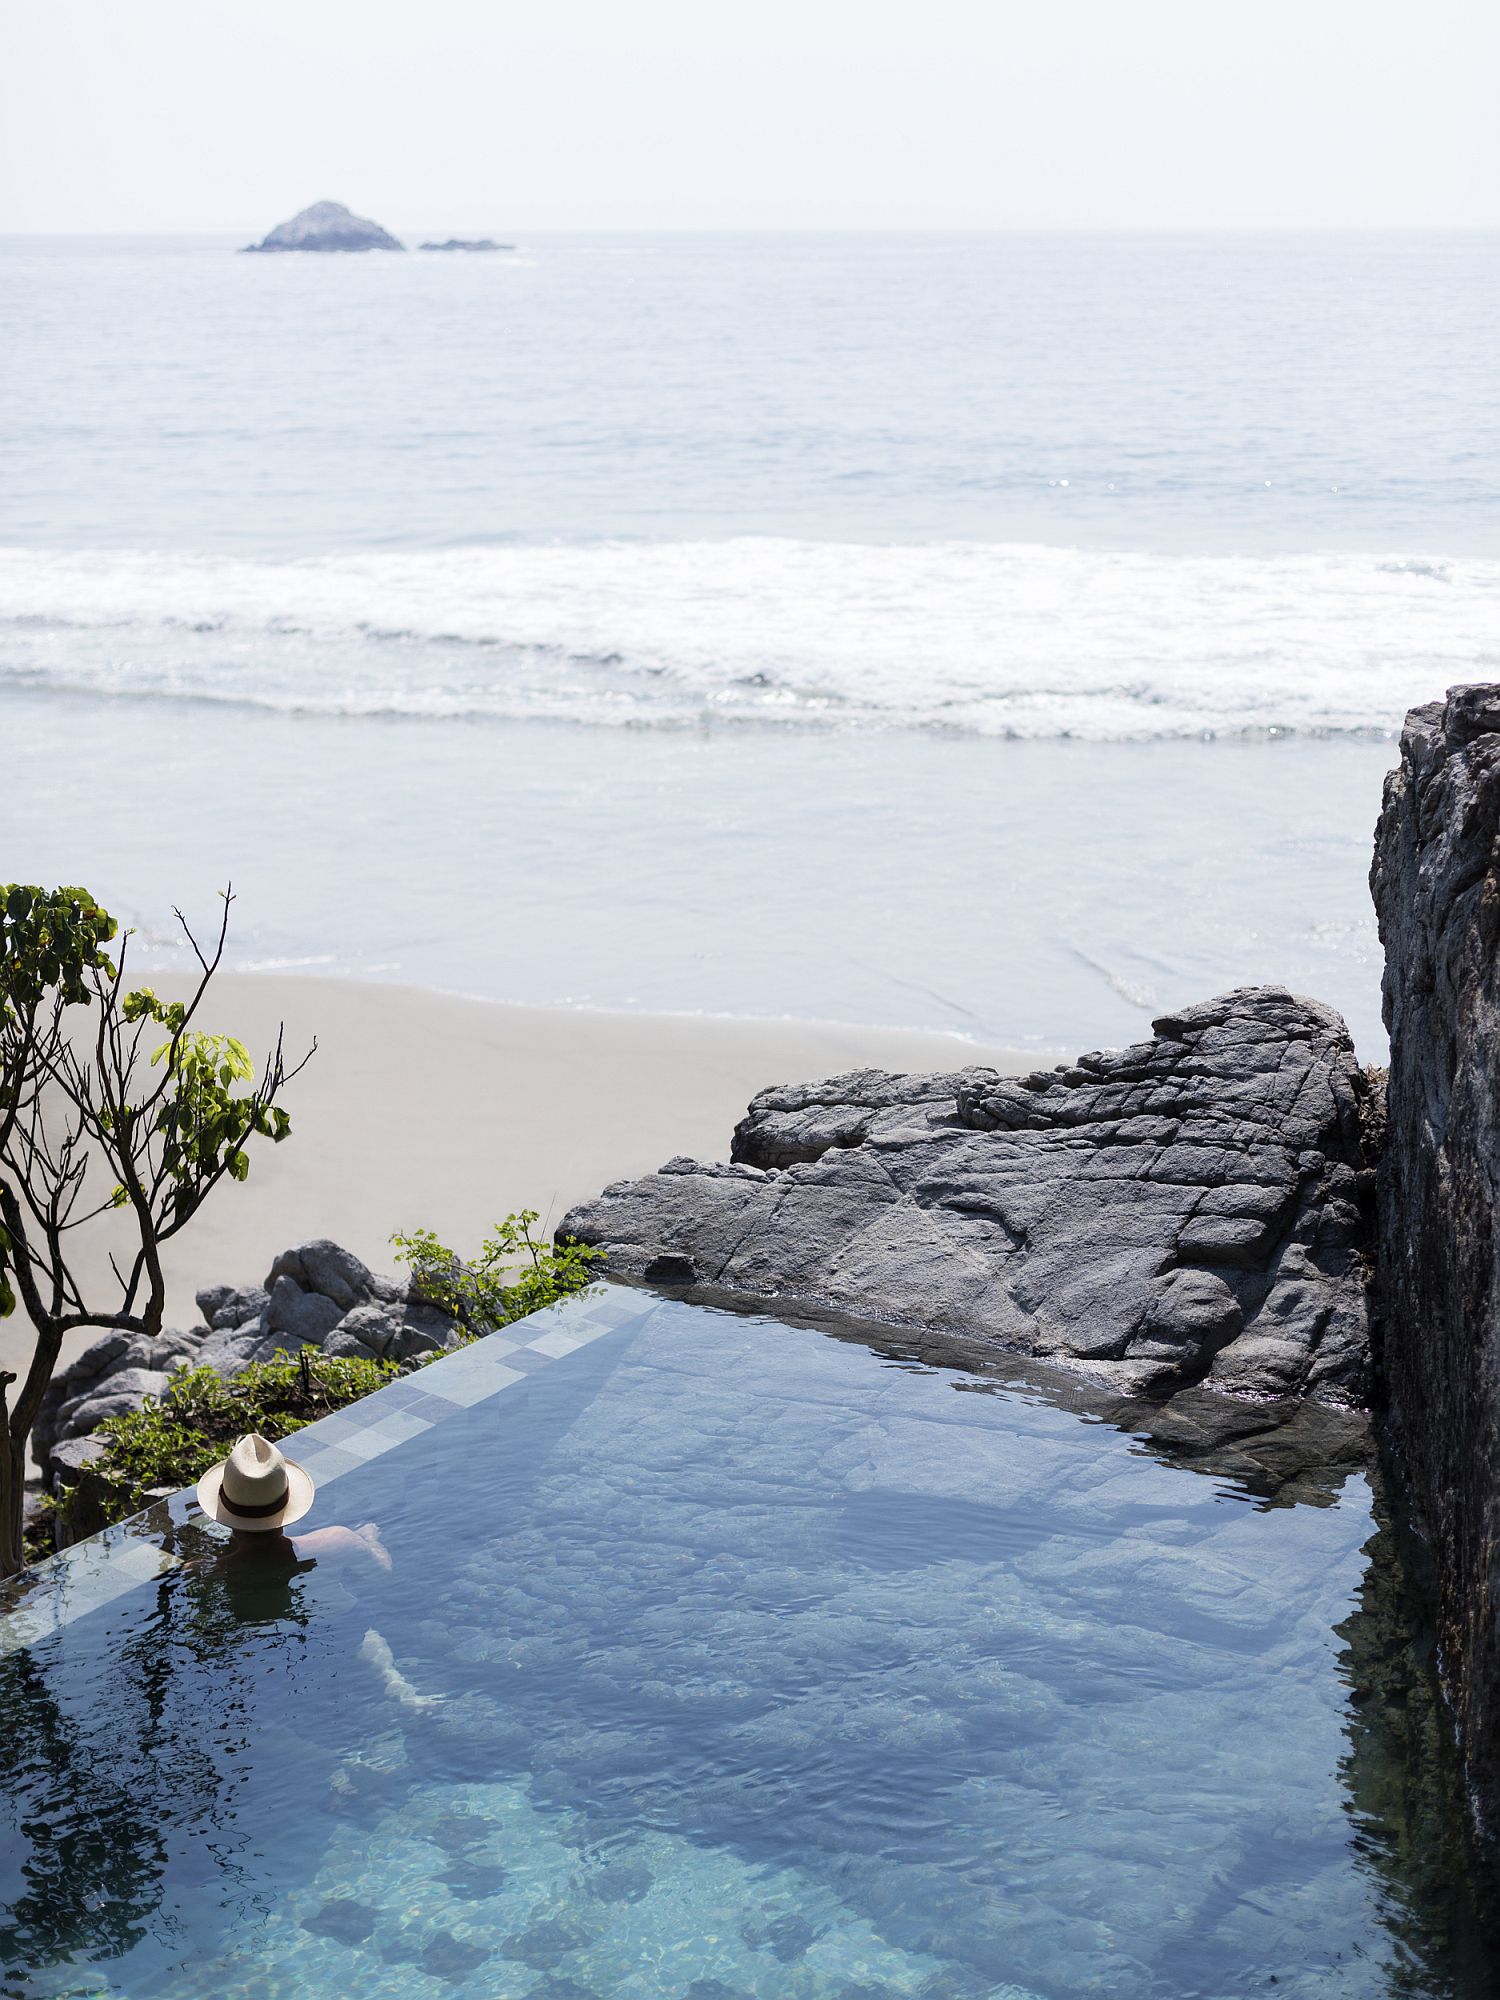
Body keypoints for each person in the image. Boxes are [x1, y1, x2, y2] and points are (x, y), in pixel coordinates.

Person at [193, 1433, 438, 1706]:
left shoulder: (211, 1571)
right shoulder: (336, 1540)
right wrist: (369, 1539)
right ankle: (397, 1684)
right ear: (288, 1501)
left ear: (222, 1507)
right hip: (344, 1626)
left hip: (269, 1649)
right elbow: (383, 1572)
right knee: (369, 1638)